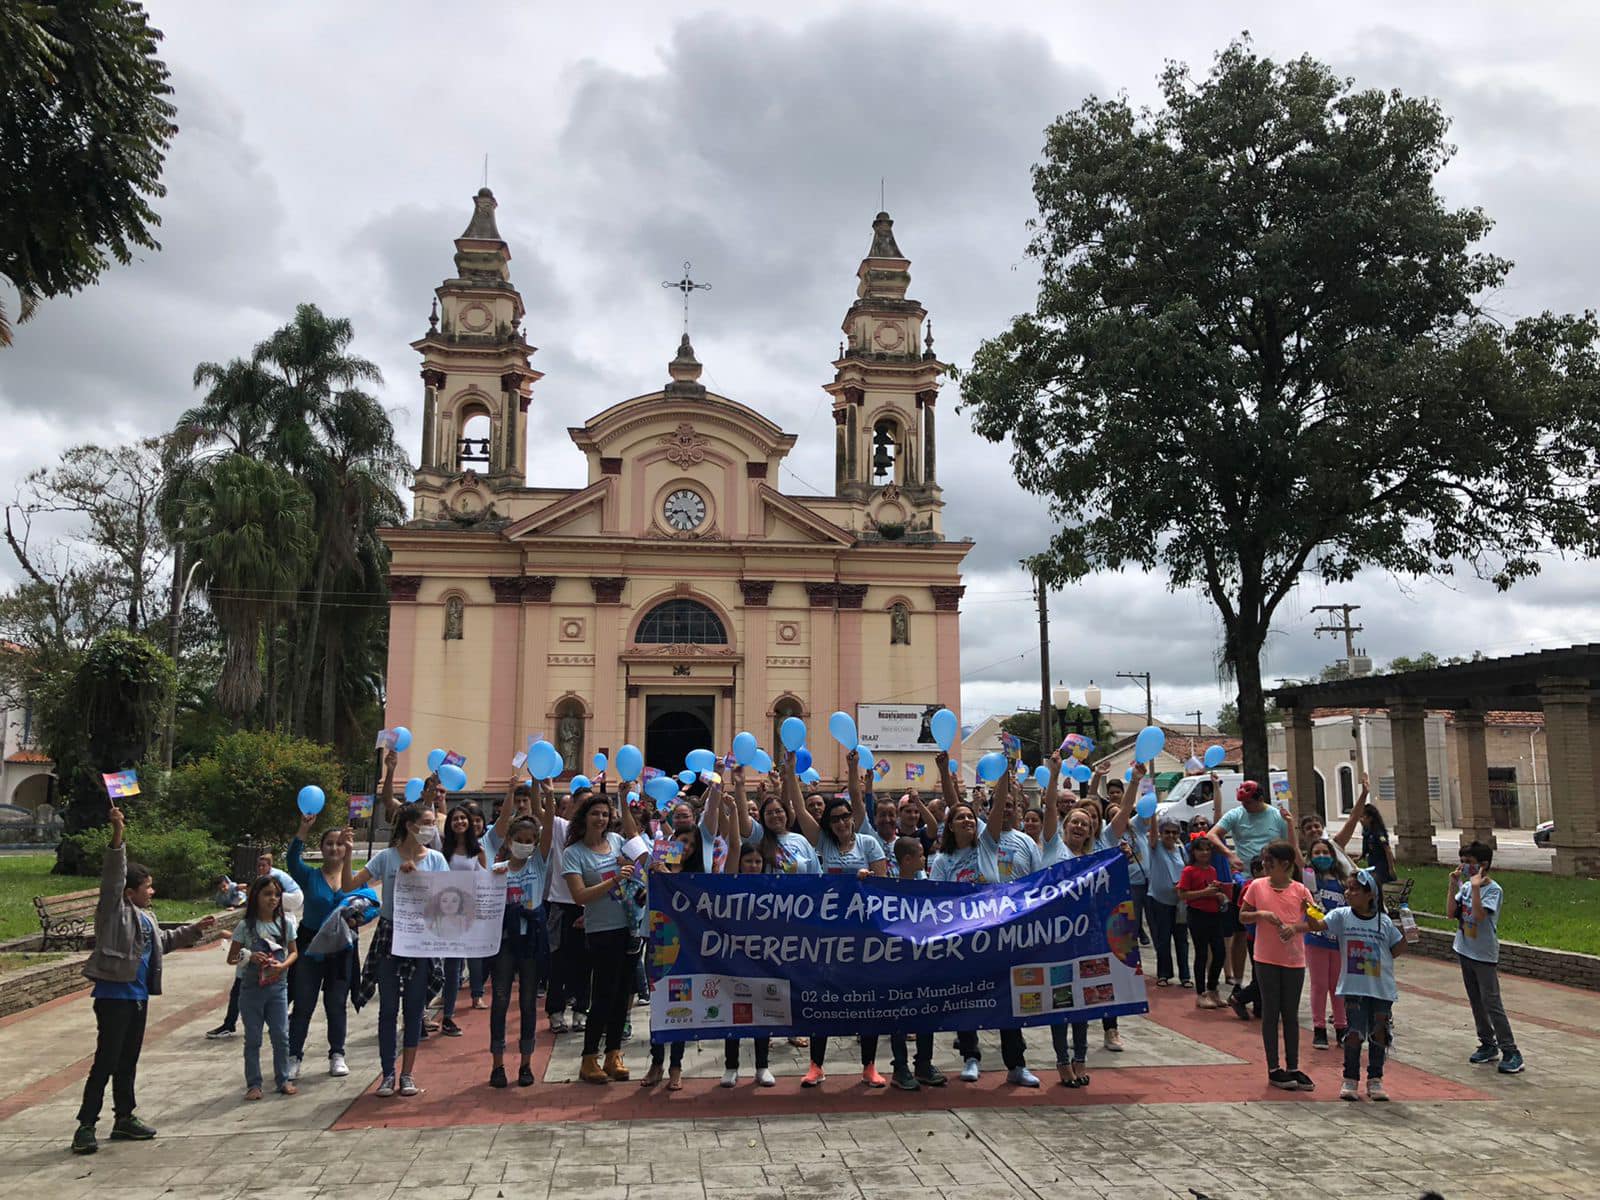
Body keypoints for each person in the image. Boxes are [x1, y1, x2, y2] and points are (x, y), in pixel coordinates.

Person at [72, 803, 215, 1156]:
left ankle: (124, 1118)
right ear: (129, 890)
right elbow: (113, 874)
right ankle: (86, 1126)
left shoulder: (146, 918)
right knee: (106, 1060)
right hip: (113, 997)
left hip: (138, 998)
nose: (151, 891)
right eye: (147, 887)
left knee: (128, 1060)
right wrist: (118, 833)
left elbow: (162, 943)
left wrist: (193, 930)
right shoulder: (113, 910)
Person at [929, 753, 1040, 1087]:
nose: (967, 820)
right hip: (963, 939)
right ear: (950, 825)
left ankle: (1016, 1063)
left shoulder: (987, 845)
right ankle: (971, 1056)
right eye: (959, 817)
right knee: (967, 996)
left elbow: (992, 810)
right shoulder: (943, 860)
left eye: (970, 817)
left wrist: (1005, 774)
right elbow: (935, 900)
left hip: (998, 934)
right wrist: (943, 773)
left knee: (1007, 997)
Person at [792, 750, 889, 1088]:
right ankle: (816, 1066)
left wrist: (866, 881)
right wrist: (790, 773)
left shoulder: (868, 842)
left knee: (868, 1002)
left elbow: (884, 885)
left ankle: (870, 1066)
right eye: (835, 819)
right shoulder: (822, 843)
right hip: (828, 936)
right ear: (828, 825)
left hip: (865, 936)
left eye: (846, 816)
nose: (842, 822)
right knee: (822, 999)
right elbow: (800, 809)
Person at [341, 802, 450, 1098]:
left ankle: (407, 1074)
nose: (431, 828)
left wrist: (420, 880)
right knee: (388, 1008)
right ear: (409, 825)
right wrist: (349, 850)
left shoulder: (437, 860)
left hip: (421, 938)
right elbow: (349, 884)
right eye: (426, 822)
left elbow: (448, 899)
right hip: (391, 935)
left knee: (414, 1008)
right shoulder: (386, 858)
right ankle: (387, 1073)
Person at [643, 772, 726, 1090]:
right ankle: (655, 1062)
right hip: (658, 940)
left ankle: (675, 1067)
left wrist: (717, 785)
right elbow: (644, 894)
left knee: (681, 1005)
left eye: (692, 843)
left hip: (688, 943)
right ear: (674, 841)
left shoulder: (695, 875)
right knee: (657, 1004)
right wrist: (656, 872)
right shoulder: (660, 861)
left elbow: (711, 817)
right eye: (682, 841)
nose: (687, 846)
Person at [562, 790, 642, 1084]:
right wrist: (613, 880)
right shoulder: (574, 853)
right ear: (584, 817)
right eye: (595, 813)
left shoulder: (617, 842)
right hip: (600, 931)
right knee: (604, 995)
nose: (600, 819)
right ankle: (588, 1058)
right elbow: (579, 895)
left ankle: (614, 1053)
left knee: (624, 995)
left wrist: (624, 801)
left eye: (605, 815)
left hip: (629, 927)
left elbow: (638, 845)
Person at [1304, 867, 1405, 1101]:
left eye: (1354, 889)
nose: (1349, 893)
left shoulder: (1384, 922)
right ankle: (1350, 1079)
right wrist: (1309, 911)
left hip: (1381, 989)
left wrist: (1409, 934)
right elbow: (1317, 925)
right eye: (1347, 888)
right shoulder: (1341, 916)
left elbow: (1397, 948)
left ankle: (1375, 1079)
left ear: (1370, 894)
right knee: (1354, 1033)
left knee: (1380, 1033)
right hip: (1353, 988)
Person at [485, 776, 554, 1088]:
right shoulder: (497, 871)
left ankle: (526, 1063)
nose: (525, 843)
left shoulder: (537, 865)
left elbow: (549, 832)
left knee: (528, 1003)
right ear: (510, 841)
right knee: (500, 1000)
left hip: (530, 943)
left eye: (531, 839)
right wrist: (511, 793)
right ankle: (497, 1063)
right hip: (503, 943)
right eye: (520, 838)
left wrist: (548, 799)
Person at [285, 809, 356, 1080]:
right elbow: (292, 859)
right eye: (329, 843)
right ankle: (294, 1057)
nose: (335, 848)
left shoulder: (353, 877)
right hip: (310, 946)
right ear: (322, 848)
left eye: (340, 844)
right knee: (303, 1003)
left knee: (336, 1003)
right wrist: (303, 830)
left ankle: (337, 1054)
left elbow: (370, 903)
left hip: (341, 949)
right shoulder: (310, 876)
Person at [1240, 839, 1315, 1091]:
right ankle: (1274, 1067)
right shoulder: (1257, 887)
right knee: (1271, 1011)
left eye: (1270, 862)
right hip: (1266, 958)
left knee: (1290, 1014)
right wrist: (1262, 915)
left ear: (1285, 864)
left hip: (1294, 959)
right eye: (1264, 861)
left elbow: (1316, 922)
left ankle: (1293, 1065)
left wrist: (1296, 927)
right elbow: (1243, 915)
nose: (1265, 866)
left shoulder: (1300, 891)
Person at [1206, 780, 1292, 1000]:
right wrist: (1229, 854)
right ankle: (1237, 981)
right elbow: (1211, 835)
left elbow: (1289, 844)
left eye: (1249, 803)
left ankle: (1265, 981)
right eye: (1242, 802)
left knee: (1269, 931)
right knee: (1241, 932)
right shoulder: (1236, 814)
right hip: (1244, 880)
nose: (1245, 806)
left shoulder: (1275, 815)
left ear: (1260, 799)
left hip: (1271, 881)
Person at [1449, 841, 1523, 1074]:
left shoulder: (1493, 890)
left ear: (1483, 865)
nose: (1464, 866)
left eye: (1469, 862)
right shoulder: (1466, 888)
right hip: (1465, 948)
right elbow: (1451, 912)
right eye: (1462, 861)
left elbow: (1480, 916)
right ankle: (1487, 1043)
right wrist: (1453, 886)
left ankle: (1511, 1050)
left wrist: (1477, 888)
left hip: (1483, 954)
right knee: (1476, 1001)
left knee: (1492, 1002)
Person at [722, 793, 776, 1088]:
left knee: (763, 1011)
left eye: (757, 861)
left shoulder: (771, 889)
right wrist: (731, 812)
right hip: (734, 956)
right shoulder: (732, 882)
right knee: (734, 1011)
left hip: (763, 957)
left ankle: (762, 1066)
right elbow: (732, 845)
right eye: (748, 861)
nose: (753, 866)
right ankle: (731, 1067)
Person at [228, 875, 299, 1100]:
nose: (273, 899)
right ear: (255, 896)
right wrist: (249, 956)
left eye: (277, 895)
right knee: (254, 1038)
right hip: (251, 989)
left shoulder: (286, 924)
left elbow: (294, 951)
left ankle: (283, 1079)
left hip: (278, 987)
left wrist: (283, 965)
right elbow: (231, 958)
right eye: (267, 894)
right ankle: (254, 1083)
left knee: (280, 1035)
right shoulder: (245, 926)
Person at [543, 786, 591, 1035]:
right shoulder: (561, 828)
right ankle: (556, 1012)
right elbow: (544, 812)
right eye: (581, 804)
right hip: (562, 906)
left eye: (590, 806)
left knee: (585, 964)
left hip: (590, 907)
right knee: (558, 963)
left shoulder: (598, 836)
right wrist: (544, 789)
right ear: (572, 806)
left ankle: (582, 1011)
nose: (586, 810)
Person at [436, 801, 486, 1036]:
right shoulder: (441, 849)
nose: (460, 822)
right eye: (455, 819)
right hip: (442, 913)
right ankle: (424, 1012)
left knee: (455, 965)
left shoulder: (478, 852)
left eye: (463, 819)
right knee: (440, 965)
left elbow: (485, 880)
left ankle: (448, 1016)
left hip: (466, 915)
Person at [1303, 837, 1348, 1050]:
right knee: (1319, 984)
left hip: (1338, 940)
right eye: (1317, 853)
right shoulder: (1309, 879)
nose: (1322, 857)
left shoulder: (1342, 881)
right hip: (1316, 938)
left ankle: (1342, 1027)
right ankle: (1319, 1028)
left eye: (1325, 852)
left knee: (1338, 986)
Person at [1178, 836, 1228, 1008]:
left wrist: (1219, 895)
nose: (1205, 853)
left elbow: (1211, 891)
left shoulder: (1212, 870)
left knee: (1220, 952)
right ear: (1194, 852)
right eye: (1201, 849)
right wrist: (1204, 892)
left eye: (1208, 849)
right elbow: (1183, 895)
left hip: (1214, 914)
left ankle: (1213, 988)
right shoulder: (1189, 871)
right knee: (1201, 954)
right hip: (1197, 914)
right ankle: (1201, 993)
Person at [1145, 816, 1191, 989]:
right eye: (1167, 832)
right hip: (1159, 901)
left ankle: (1185, 976)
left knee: (1182, 940)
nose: (1170, 836)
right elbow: (1153, 831)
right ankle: (1163, 974)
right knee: (1163, 939)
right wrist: (1153, 811)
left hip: (1180, 903)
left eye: (1174, 832)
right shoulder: (1156, 848)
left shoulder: (1181, 851)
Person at [1358, 803, 1397, 888]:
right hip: (1372, 863)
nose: (1360, 820)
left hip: (1381, 865)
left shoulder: (1378, 833)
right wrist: (1359, 857)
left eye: (1362, 817)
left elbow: (1387, 850)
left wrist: (1391, 868)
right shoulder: (1367, 832)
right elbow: (1367, 849)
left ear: (1370, 818)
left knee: (1377, 884)